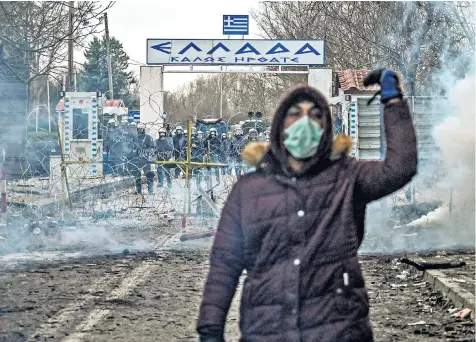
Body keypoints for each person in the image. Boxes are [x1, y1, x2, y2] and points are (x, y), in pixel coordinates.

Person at [197, 69, 418, 342]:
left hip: (339, 330)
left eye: (315, 115)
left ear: (326, 127)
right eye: (295, 114)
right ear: (280, 126)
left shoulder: (346, 177)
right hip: (266, 332)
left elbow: (400, 168)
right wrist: (210, 330)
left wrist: (392, 101)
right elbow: (224, 264)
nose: (305, 122)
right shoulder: (248, 190)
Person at [131, 122, 156, 195]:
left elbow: (153, 148)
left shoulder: (148, 137)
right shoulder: (135, 138)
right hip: (137, 160)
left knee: (149, 176)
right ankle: (139, 192)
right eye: (139, 129)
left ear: (144, 129)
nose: (140, 130)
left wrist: (148, 154)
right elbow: (132, 148)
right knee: (137, 177)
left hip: (146, 160)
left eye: (141, 129)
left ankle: (150, 191)